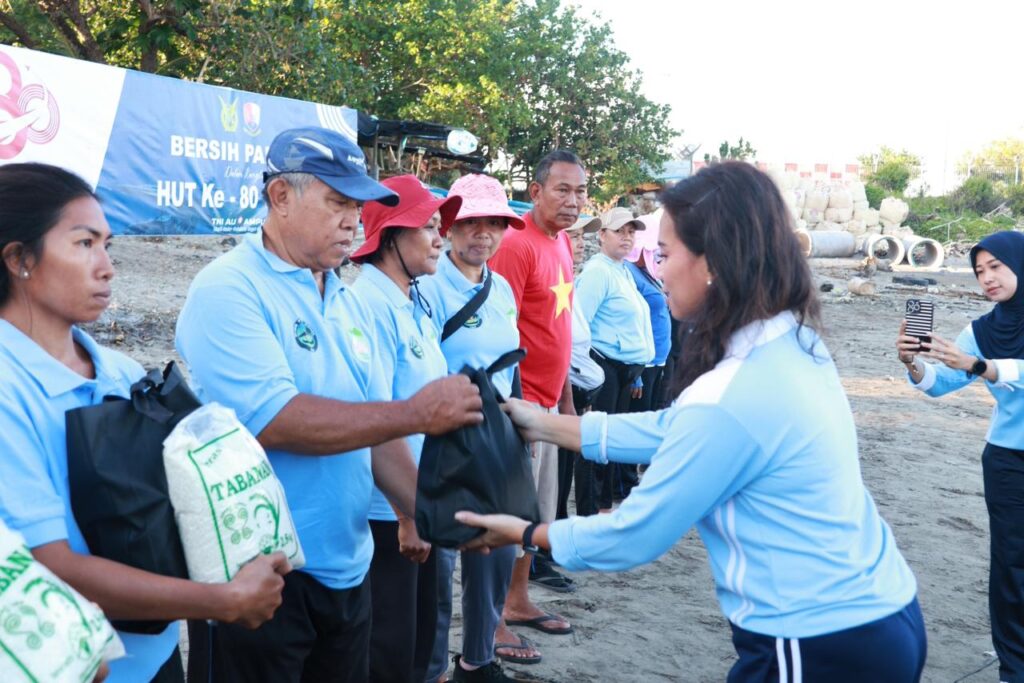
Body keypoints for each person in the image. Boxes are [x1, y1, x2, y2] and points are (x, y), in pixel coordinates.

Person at [459, 161, 927, 683]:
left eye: (664, 254)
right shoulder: (791, 339)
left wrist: (525, 531)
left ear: (715, 262)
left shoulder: (732, 393)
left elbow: (636, 534)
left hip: (818, 637)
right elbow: (674, 430)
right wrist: (542, 424)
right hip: (880, 607)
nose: (657, 271)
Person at [175, 128, 483, 683]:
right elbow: (275, 419)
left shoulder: (344, 295)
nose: (353, 221)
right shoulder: (228, 288)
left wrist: (425, 512)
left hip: (347, 565)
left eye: (358, 206)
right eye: (338, 203)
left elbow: (374, 427)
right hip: (257, 576)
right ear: (280, 198)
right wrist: (414, 414)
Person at [0, 162, 290, 683]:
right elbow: (52, 564)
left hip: (155, 658)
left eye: (107, 244)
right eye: (85, 243)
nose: (108, 266)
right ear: (19, 258)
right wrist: (220, 600)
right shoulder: (6, 390)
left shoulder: (123, 373)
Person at [896, 230, 1024, 683]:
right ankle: (1015, 666)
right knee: (1011, 567)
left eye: (995, 267)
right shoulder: (983, 331)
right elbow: (942, 384)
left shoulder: (982, 349)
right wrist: (914, 363)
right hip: (1010, 461)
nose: (986, 278)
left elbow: (983, 369)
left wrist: (980, 366)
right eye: (978, 271)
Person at [346, 174, 459, 683]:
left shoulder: (414, 300)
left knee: (417, 644)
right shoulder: (367, 304)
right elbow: (376, 412)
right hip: (387, 512)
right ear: (390, 235)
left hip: (418, 499)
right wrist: (405, 514)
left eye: (440, 227)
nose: (441, 238)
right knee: (388, 650)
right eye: (428, 226)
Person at [417, 173, 525, 682]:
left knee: (497, 550)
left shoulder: (500, 287)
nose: (483, 234)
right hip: (444, 440)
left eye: (494, 224)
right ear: (448, 225)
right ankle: (434, 667)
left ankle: (477, 660)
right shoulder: (429, 286)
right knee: (440, 558)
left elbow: (509, 364)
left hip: (497, 438)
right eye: (471, 222)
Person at [486, 149, 583, 642]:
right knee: (510, 512)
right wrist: (517, 407)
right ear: (537, 191)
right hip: (519, 406)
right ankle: (493, 620)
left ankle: (519, 601)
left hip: (550, 404)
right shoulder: (517, 244)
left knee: (538, 511)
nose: (573, 200)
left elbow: (557, 329)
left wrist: (565, 401)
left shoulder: (562, 241)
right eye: (562, 189)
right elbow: (500, 332)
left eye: (581, 191)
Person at [573, 206, 654, 513]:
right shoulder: (597, 272)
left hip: (623, 372)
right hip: (603, 366)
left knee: (611, 441)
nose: (627, 237)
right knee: (595, 442)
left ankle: (604, 506)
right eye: (619, 231)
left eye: (631, 231)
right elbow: (580, 326)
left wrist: (635, 373)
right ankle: (590, 511)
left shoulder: (621, 269)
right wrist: (589, 377)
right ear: (602, 235)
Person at [556, 214, 605, 522]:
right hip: (563, 393)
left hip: (578, 389)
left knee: (564, 471)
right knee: (557, 474)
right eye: (573, 237)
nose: (580, 244)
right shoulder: (561, 280)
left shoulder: (570, 277)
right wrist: (570, 398)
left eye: (580, 237)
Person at [626, 210, 673, 416]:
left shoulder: (648, 274)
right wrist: (636, 374)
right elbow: (630, 322)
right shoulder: (630, 273)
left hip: (657, 361)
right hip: (642, 365)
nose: (657, 257)